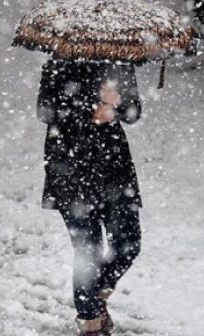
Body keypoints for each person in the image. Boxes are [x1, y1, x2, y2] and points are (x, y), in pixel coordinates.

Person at [36, 56, 143, 336]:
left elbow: (134, 112)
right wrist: (92, 106)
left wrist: (117, 107)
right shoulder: (59, 63)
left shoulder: (119, 62)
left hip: (114, 170)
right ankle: (90, 323)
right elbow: (46, 112)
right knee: (88, 251)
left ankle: (95, 297)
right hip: (70, 170)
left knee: (129, 243)